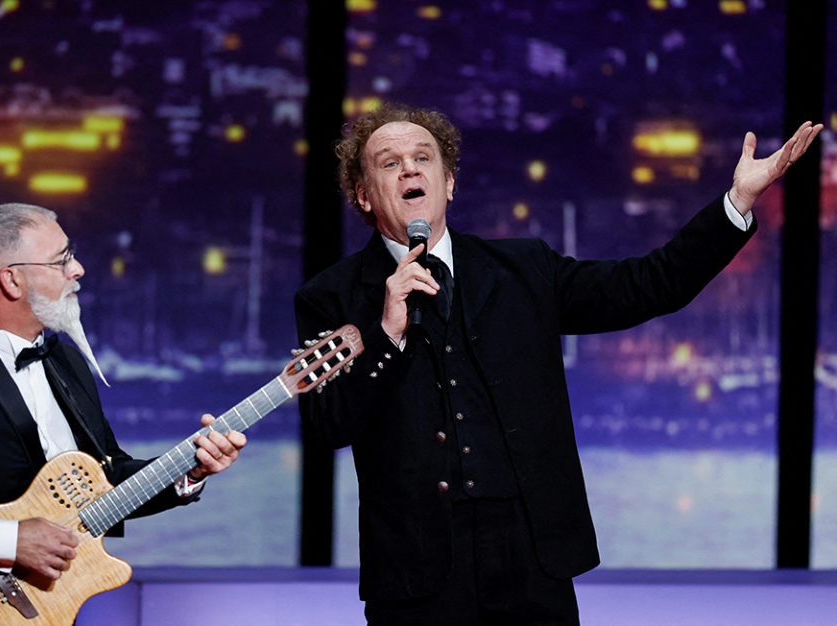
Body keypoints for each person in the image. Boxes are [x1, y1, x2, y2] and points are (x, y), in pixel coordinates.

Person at [294, 103, 821, 625]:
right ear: (363, 195)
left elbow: (649, 284)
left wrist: (737, 202)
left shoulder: (525, 269)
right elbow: (328, 426)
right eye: (390, 163)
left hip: (531, 562)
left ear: (448, 182)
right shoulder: (330, 298)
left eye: (423, 158)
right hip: (416, 574)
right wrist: (387, 334)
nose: (410, 170)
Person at [0, 203, 247, 625]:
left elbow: (106, 478)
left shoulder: (68, 363)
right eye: (62, 260)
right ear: (12, 280)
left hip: (50, 611)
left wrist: (188, 471)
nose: (78, 270)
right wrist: (10, 541)